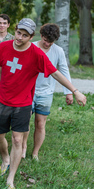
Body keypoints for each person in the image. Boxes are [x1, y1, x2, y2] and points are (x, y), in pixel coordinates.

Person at [0, 18, 87, 189]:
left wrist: (75, 91)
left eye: (24, 35)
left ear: (31, 36)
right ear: (16, 30)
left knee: (17, 139)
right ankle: (5, 158)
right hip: (2, 101)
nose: (19, 37)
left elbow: (56, 74)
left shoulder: (37, 54)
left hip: (23, 103)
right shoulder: (3, 47)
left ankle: (10, 179)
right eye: (18, 33)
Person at [22, 23, 73, 161]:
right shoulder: (30, 47)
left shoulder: (58, 51)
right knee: (24, 121)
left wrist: (68, 92)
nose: (47, 44)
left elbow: (63, 71)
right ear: (41, 35)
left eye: (50, 42)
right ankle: (23, 147)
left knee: (40, 123)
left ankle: (35, 153)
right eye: (45, 40)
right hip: (28, 90)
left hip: (46, 92)